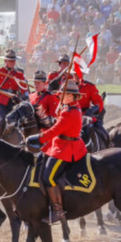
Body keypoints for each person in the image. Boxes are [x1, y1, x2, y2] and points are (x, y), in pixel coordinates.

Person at [26, 80, 87, 224]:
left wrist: (39, 138)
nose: (61, 97)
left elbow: (55, 130)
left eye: (64, 94)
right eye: (61, 94)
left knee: (49, 177)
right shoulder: (70, 108)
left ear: (72, 96)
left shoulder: (69, 112)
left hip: (66, 149)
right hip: (59, 145)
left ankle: (58, 211)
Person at [0, 49, 27, 138]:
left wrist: (23, 82)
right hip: (1, 101)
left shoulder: (19, 74)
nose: (13, 62)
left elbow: (23, 90)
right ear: (5, 61)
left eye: (14, 60)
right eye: (11, 61)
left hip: (14, 101)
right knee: (2, 119)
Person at [72, 71, 106, 138]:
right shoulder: (66, 85)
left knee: (103, 133)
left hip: (85, 115)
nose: (78, 76)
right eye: (76, 74)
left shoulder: (89, 86)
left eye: (80, 73)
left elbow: (99, 102)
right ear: (72, 74)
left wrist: (92, 110)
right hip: (69, 115)